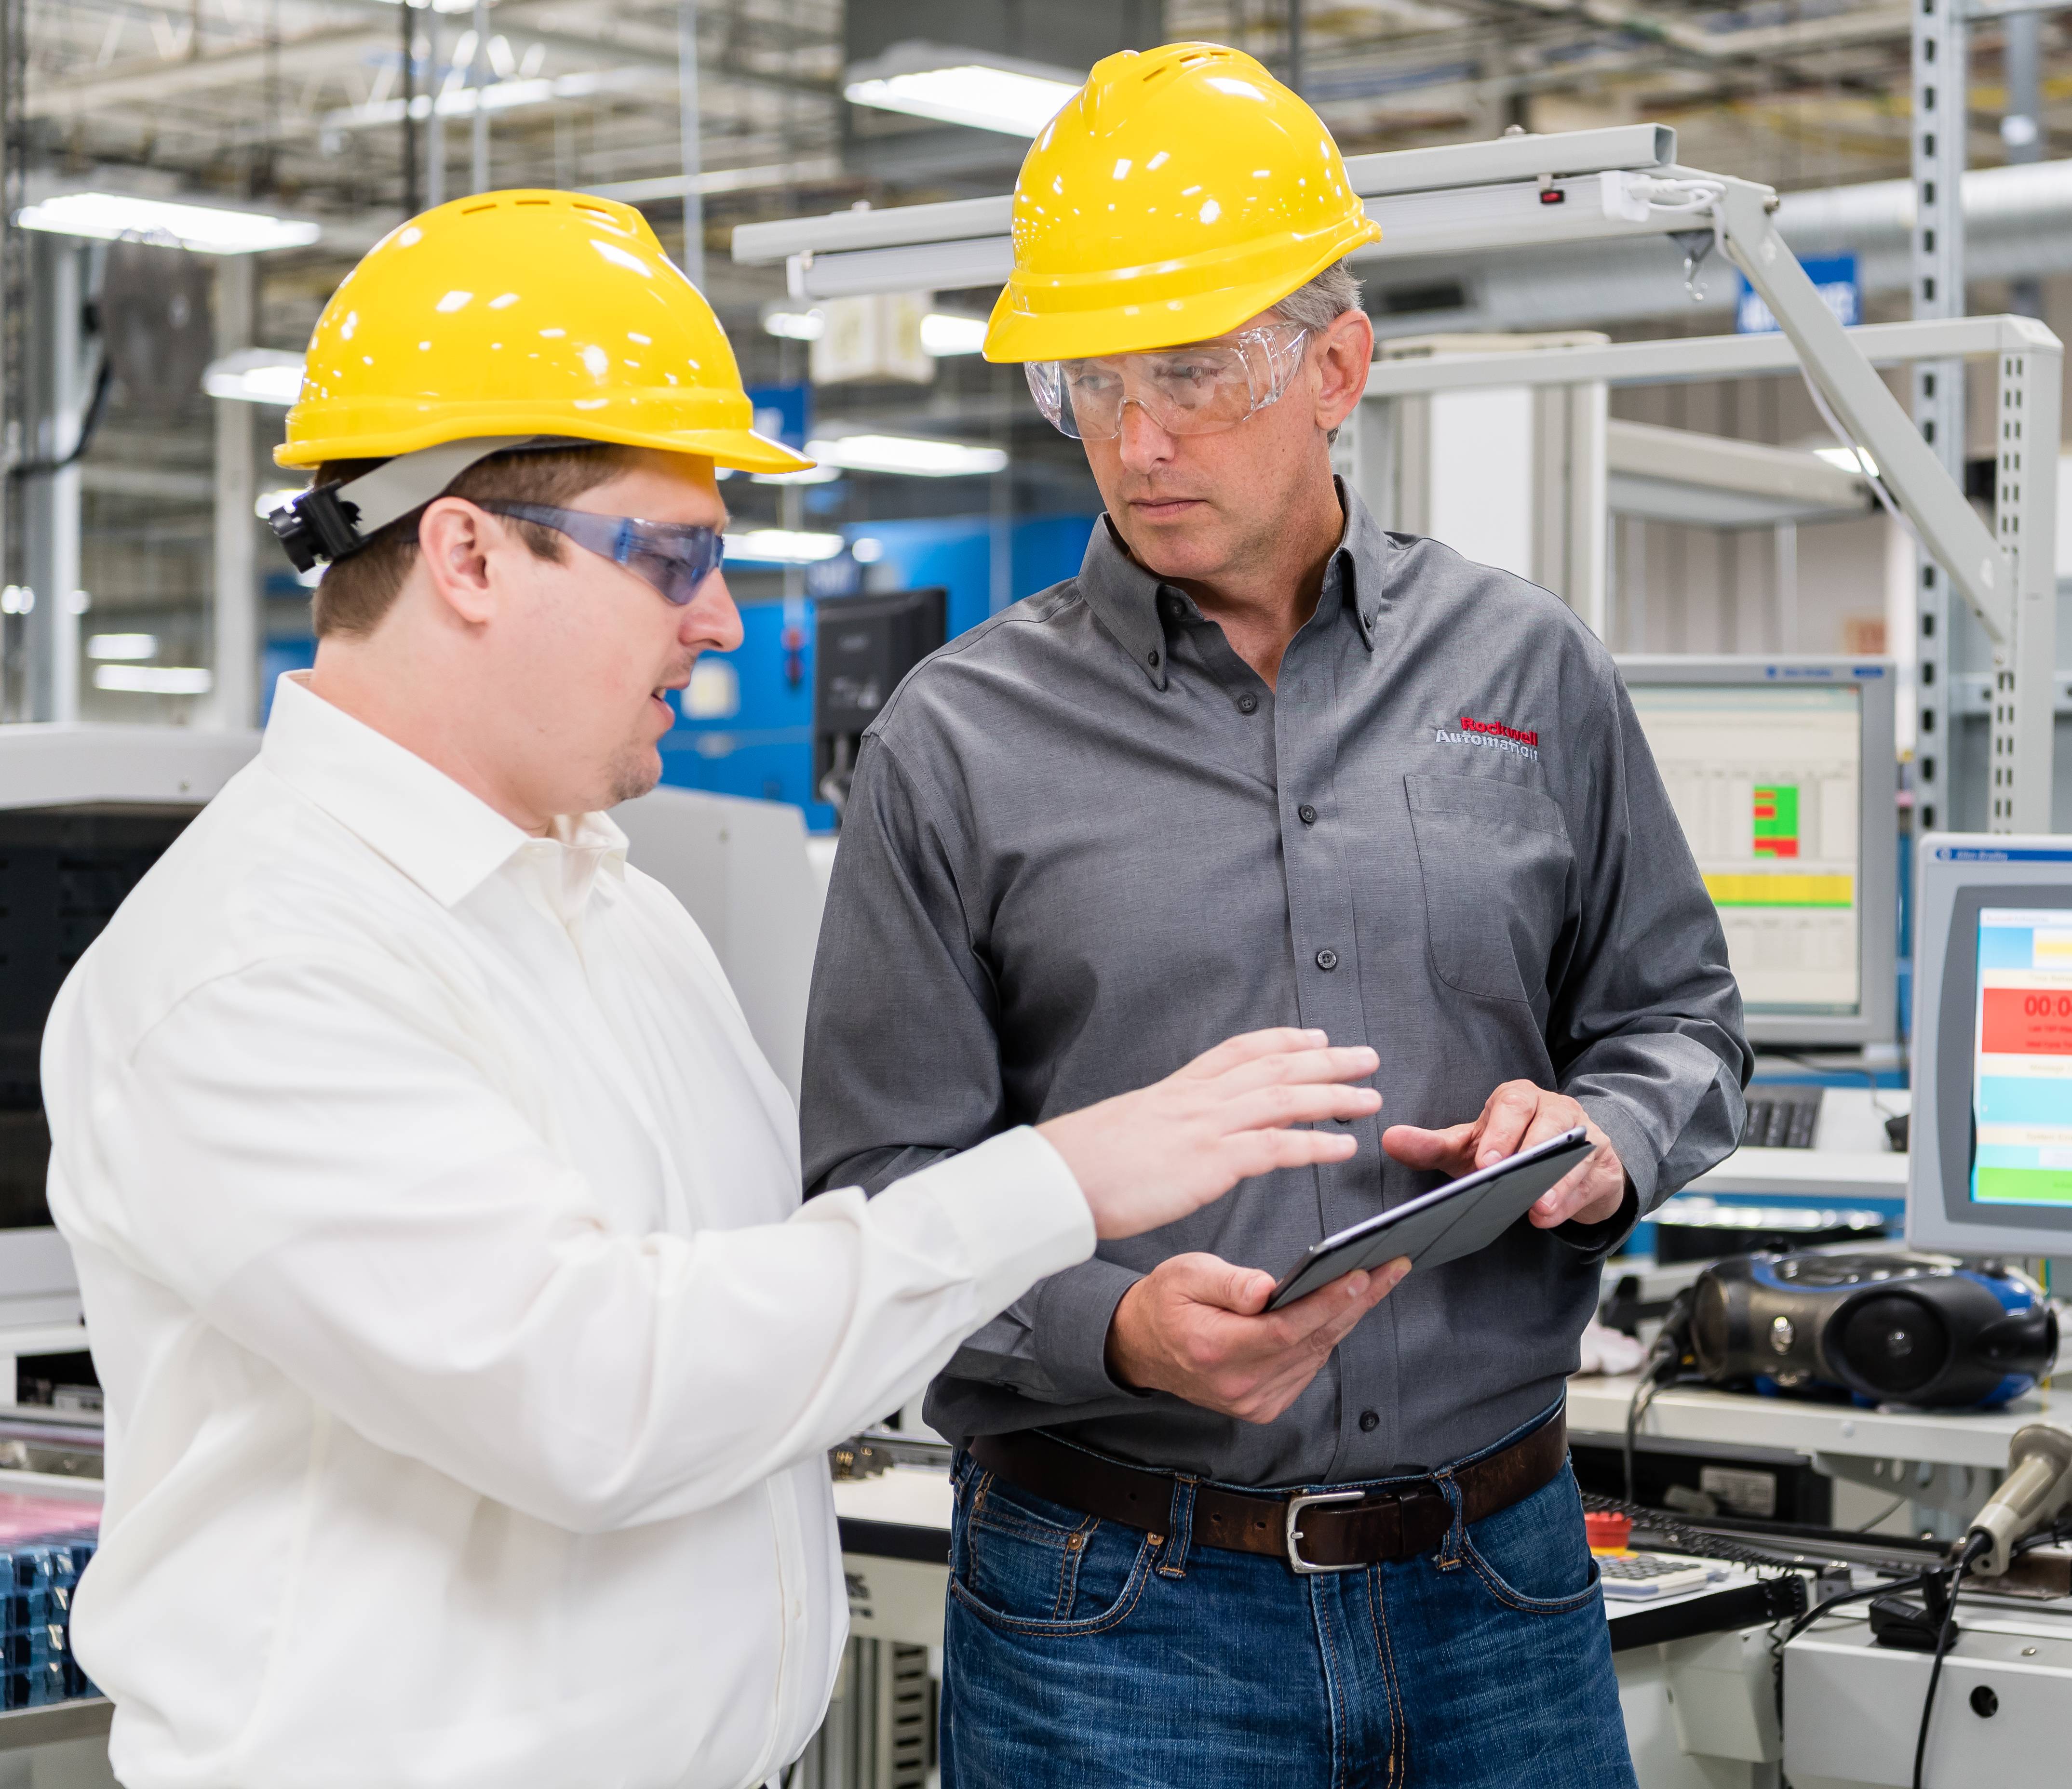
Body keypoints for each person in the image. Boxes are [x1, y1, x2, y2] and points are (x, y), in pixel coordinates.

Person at [40, 191, 1386, 1789]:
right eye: (670, 556)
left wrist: (1106, 1301)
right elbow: (601, 1402)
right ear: (466, 555)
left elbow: (792, 1305)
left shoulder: (613, 909)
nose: (724, 619)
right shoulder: (256, 970)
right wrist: (1060, 1182)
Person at [801, 43, 1749, 1787]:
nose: (1136, 440)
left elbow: (1679, 1023)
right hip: (1115, 1613)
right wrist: (1108, 1328)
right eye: (1089, 385)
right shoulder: (955, 741)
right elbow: (874, 1199)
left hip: (1502, 1590)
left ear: (1338, 366)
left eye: (1194, 373)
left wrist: (1602, 1138)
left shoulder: (1524, 670)